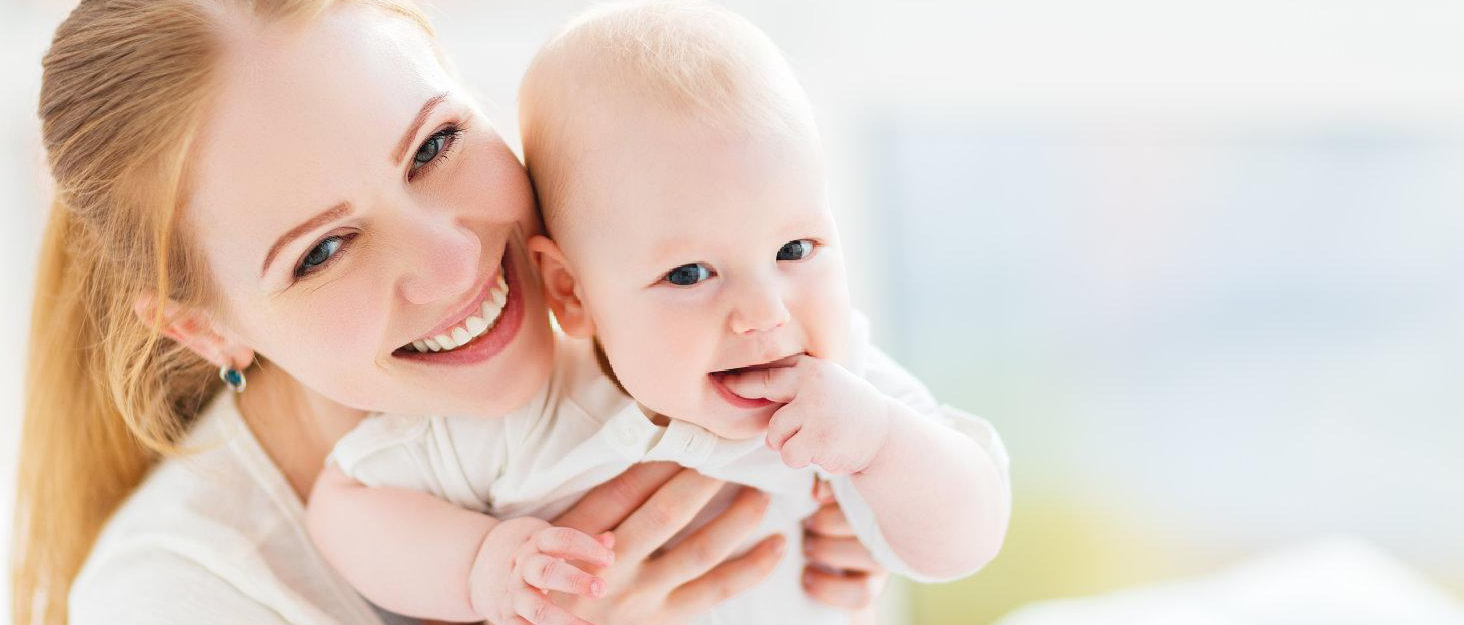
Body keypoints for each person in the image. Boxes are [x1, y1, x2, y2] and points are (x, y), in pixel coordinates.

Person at [10, 1, 890, 623]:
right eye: (323, 250)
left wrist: (854, 526)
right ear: (205, 328)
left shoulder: (656, 308)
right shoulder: (173, 595)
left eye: (434, 145)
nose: (456, 261)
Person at [305, 3, 1012, 625]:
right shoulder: (530, 416)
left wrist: (885, 447)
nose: (764, 312)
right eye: (690, 273)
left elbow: (968, 534)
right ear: (573, 292)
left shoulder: (850, 397)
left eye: (796, 247)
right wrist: (483, 565)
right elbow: (346, 502)